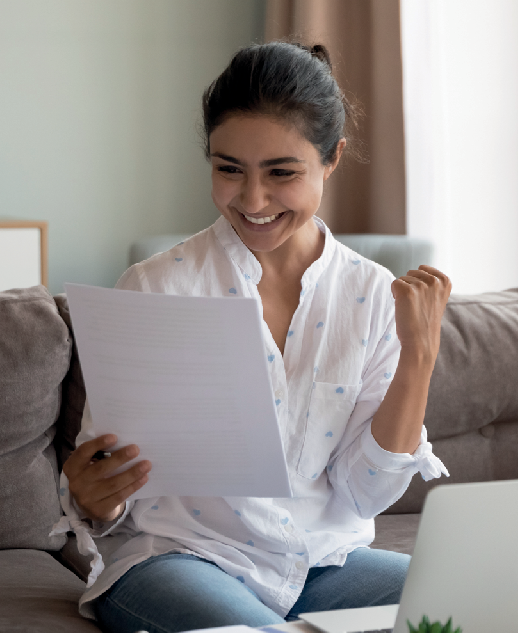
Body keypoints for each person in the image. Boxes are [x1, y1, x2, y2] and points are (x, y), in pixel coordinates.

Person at [50, 41, 451, 633]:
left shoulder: (372, 295)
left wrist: (419, 358)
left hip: (323, 563)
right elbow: (107, 498)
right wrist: (93, 496)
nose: (253, 200)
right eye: (228, 169)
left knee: (472, 604)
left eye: (281, 173)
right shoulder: (156, 287)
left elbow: (364, 495)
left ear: (332, 158)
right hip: (180, 560)